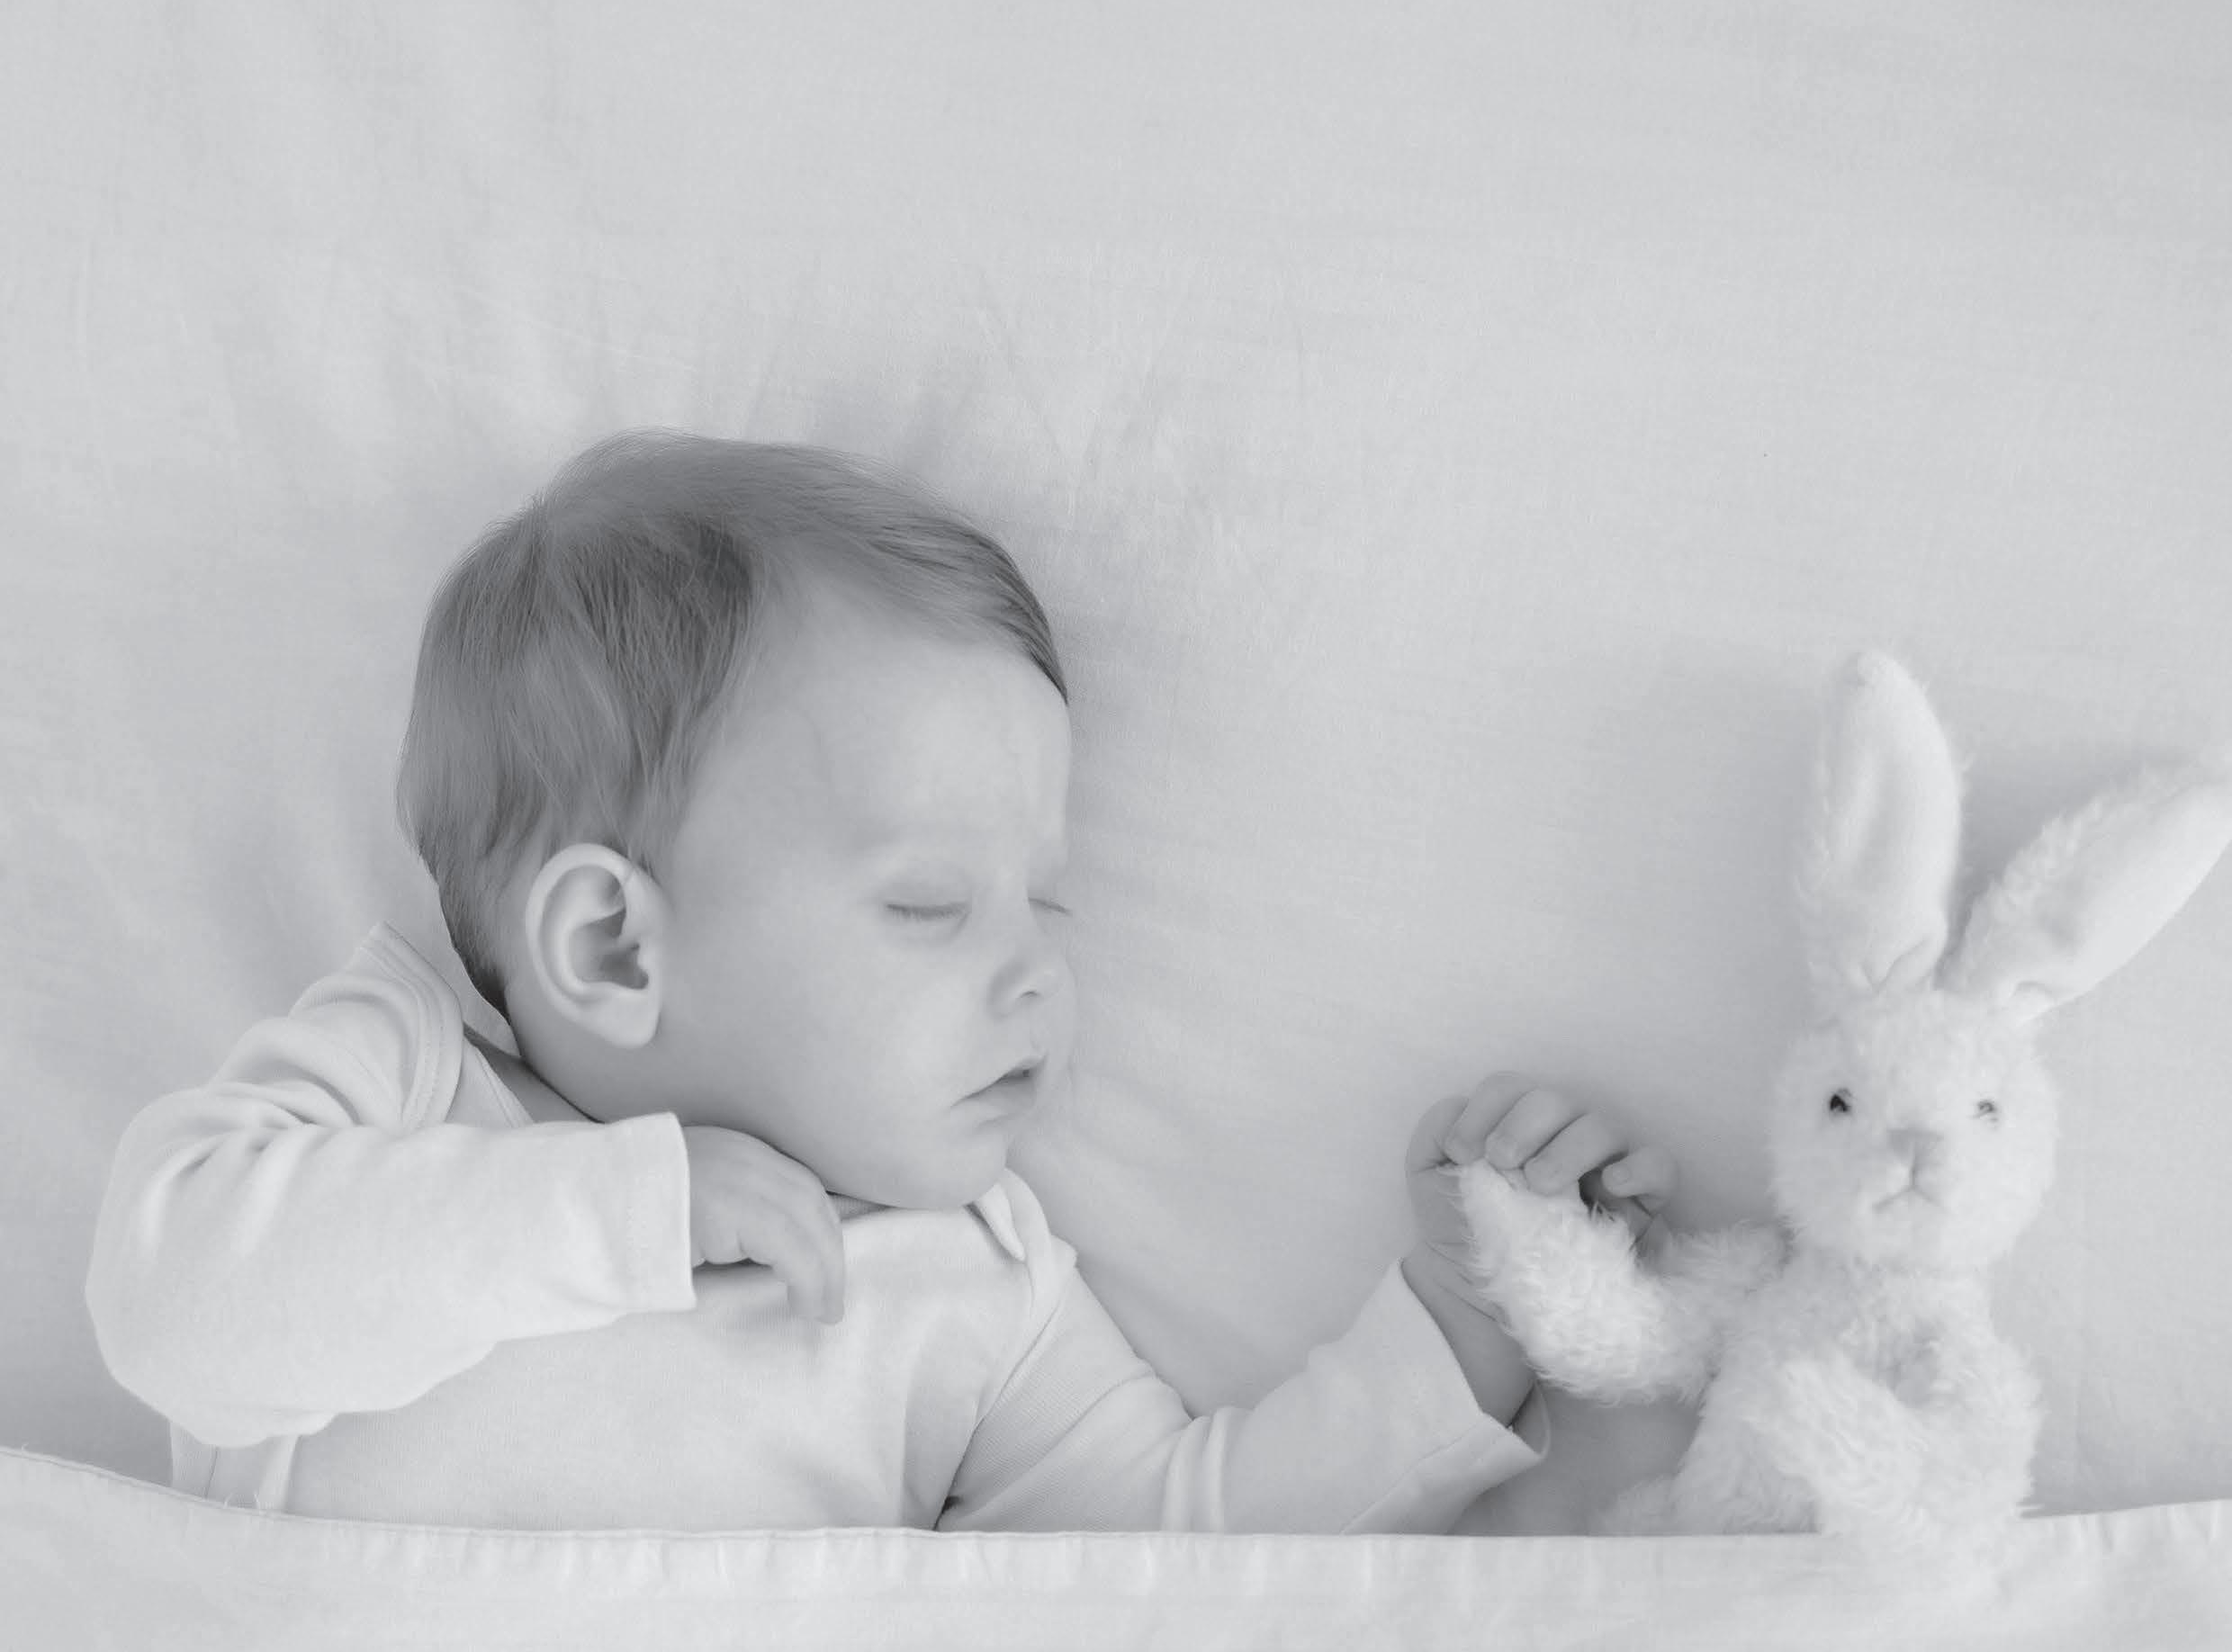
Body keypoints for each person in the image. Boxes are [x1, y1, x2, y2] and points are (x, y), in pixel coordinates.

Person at [86, 434, 1674, 1532]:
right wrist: (627, 1214)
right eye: (929, 905)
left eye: (1043, 903)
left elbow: (1180, 1553)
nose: (1037, 974)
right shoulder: (399, 1083)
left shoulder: (970, 1282)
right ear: (615, 947)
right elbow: (173, 1309)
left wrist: (1464, 1325)